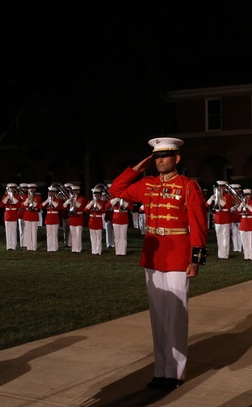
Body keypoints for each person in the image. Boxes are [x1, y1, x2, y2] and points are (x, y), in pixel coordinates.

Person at [109, 137, 207, 390]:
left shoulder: (188, 186)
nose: (160, 161)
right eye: (156, 157)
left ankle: (175, 374)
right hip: (153, 258)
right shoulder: (147, 184)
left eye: (164, 156)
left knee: (175, 317)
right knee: (157, 317)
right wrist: (136, 169)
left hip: (178, 257)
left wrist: (196, 260)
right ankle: (161, 370)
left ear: (176, 158)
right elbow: (116, 190)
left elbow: (198, 224)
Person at [206, 181, 235, 260]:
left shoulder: (228, 195)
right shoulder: (216, 195)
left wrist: (219, 199)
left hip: (225, 217)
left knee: (226, 236)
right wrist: (211, 198)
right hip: (218, 217)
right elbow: (206, 204)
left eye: (222, 187)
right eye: (219, 187)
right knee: (219, 237)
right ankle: (220, 254)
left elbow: (228, 206)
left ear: (225, 187)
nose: (221, 188)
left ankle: (225, 255)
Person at [85, 185, 109, 254]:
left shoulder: (102, 202)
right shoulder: (90, 201)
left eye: (97, 193)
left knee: (98, 237)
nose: (95, 195)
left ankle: (98, 251)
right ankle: (94, 251)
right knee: (92, 237)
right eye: (94, 193)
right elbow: (86, 210)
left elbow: (103, 210)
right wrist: (91, 204)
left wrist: (97, 204)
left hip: (98, 220)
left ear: (99, 194)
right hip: (92, 220)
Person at [236, 188, 252, 260]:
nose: (246, 197)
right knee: (244, 240)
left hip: (250, 221)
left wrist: (247, 206)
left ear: (250, 196)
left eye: (248, 195)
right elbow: (238, 211)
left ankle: (251, 256)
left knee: (251, 240)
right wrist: (241, 205)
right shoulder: (241, 202)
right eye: (245, 195)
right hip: (243, 222)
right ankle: (246, 256)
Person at [0, 183, 23, 250]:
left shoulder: (17, 196)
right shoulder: (5, 196)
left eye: (13, 189)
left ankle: (13, 246)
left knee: (13, 231)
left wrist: (12, 197)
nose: (11, 190)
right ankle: (8, 246)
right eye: (10, 189)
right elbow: (1, 205)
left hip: (13, 214)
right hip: (7, 214)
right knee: (8, 231)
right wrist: (7, 197)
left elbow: (18, 205)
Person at [41, 185, 64, 252]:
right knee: (48, 234)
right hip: (48, 218)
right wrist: (47, 201)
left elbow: (58, 207)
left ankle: (55, 248)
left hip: (55, 218)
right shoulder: (47, 200)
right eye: (50, 192)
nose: (51, 193)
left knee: (54, 234)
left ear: (55, 193)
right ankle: (49, 248)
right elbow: (41, 206)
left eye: (52, 192)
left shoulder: (58, 200)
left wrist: (52, 201)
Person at [64, 184, 85, 253]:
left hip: (78, 217)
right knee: (73, 235)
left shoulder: (81, 198)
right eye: (73, 191)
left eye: (76, 191)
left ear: (78, 191)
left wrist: (74, 201)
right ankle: (74, 249)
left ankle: (78, 249)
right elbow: (63, 207)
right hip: (72, 218)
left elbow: (81, 207)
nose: (74, 192)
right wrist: (67, 202)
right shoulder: (70, 198)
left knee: (78, 235)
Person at [21, 183, 42, 251]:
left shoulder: (38, 197)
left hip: (34, 215)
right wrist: (27, 200)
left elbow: (37, 206)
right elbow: (23, 205)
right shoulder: (25, 197)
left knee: (34, 232)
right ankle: (29, 247)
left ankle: (34, 247)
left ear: (35, 190)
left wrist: (32, 199)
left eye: (32, 189)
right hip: (27, 215)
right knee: (28, 232)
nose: (31, 190)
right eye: (30, 189)